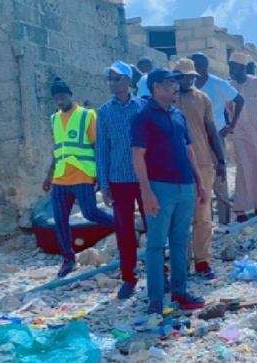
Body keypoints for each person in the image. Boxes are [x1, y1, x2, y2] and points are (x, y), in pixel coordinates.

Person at [131, 68, 206, 313]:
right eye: (170, 83)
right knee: (155, 244)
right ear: (156, 87)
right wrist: (146, 192)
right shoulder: (144, 116)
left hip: (186, 186)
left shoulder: (178, 115)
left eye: (176, 82)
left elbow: (189, 150)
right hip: (160, 188)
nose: (175, 87)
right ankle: (155, 300)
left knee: (180, 241)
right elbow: (138, 155)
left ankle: (180, 292)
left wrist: (200, 182)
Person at [43, 78, 115, 278]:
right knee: (60, 219)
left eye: (62, 97)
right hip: (61, 178)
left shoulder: (86, 116)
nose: (59, 101)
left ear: (70, 95)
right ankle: (68, 258)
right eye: (56, 98)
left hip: (83, 174)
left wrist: (101, 174)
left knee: (91, 213)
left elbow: (97, 146)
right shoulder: (54, 119)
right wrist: (49, 176)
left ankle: (122, 227)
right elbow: (58, 150)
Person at [96, 61, 148, 299]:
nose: (113, 82)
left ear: (129, 81)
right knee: (124, 229)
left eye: (117, 78)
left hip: (145, 177)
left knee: (153, 226)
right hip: (119, 179)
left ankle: (160, 274)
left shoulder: (142, 107)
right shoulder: (105, 112)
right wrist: (104, 184)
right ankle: (129, 277)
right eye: (110, 79)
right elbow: (102, 150)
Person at [173, 58, 227, 280]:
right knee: (180, 218)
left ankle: (203, 261)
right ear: (175, 77)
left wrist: (221, 161)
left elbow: (211, 131)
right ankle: (181, 263)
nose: (189, 80)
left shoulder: (202, 99)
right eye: (185, 76)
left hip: (203, 163)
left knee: (203, 215)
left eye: (192, 76)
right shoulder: (168, 99)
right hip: (174, 165)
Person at [190, 53, 244, 226]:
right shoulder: (187, 85)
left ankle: (224, 220)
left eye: (198, 65)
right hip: (195, 139)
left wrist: (232, 125)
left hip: (216, 137)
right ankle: (204, 220)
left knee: (219, 177)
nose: (196, 68)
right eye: (193, 65)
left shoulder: (218, 84)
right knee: (198, 177)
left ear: (205, 66)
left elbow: (239, 100)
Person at [227, 52, 257, 223]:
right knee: (243, 169)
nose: (232, 71)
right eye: (230, 68)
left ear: (243, 68)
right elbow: (228, 108)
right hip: (240, 134)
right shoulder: (229, 85)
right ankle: (241, 208)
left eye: (234, 68)